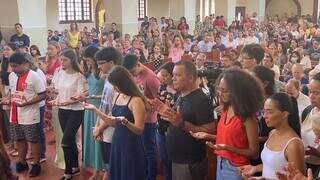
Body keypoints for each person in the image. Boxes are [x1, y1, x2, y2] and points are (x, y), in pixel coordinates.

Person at [191, 68, 264, 180]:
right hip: (221, 162)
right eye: (220, 90)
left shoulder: (248, 119)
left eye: (225, 91)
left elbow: (254, 152)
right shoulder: (226, 109)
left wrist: (227, 148)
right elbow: (230, 139)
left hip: (238, 168)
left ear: (237, 92)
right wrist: (208, 136)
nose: (221, 94)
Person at [84, 66, 147, 180]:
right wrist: (95, 109)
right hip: (117, 141)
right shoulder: (118, 96)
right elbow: (112, 122)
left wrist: (125, 121)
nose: (114, 88)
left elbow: (139, 129)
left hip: (131, 144)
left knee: (129, 174)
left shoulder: (136, 100)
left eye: (116, 85)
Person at [154, 61, 214, 180]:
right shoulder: (181, 94)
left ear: (191, 78)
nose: (173, 78)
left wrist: (182, 124)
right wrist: (167, 112)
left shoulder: (201, 100)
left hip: (189, 162)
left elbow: (209, 131)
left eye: (178, 75)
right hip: (178, 160)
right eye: (173, 74)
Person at [238, 93, 306, 180]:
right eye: (264, 111)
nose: (265, 116)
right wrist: (254, 168)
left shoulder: (294, 144)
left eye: (270, 112)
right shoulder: (272, 133)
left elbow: (298, 178)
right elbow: (274, 165)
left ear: (284, 114)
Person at [50, 48, 88, 180]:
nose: (62, 62)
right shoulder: (60, 73)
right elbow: (58, 92)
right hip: (62, 110)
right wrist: (56, 99)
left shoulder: (79, 76)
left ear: (72, 60)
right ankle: (75, 166)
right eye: (61, 60)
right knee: (70, 140)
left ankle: (68, 171)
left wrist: (70, 101)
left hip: (76, 111)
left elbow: (81, 95)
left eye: (64, 60)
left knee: (65, 141)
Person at [122, 54, 160, 180]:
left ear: (138, 64)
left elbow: (159, 102)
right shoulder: (135, 75)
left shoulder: (151, 78)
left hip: (148, 120)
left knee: (149, 151)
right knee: (140, 151)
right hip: (137, 117)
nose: (132, 75)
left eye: (133, 72)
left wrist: (143, 101)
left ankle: (151, 177)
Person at [8, 52, 46, 177]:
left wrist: (27, 103)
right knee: (19, 139)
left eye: (15, 66)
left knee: (33, 140)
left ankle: (36, 164)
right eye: (11, 66)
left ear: (25, 63)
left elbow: (42, 94)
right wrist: (8, 98)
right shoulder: (12, 76)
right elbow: (11, 91)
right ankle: (22, 162)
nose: (13, 69)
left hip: (29, 114)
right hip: (15, 113)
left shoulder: (34, 76)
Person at [82, 46, 105, 179]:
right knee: (91, 139)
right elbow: (91, 89)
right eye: (86, 61)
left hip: (98, 109)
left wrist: (91, 97)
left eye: (89, 60)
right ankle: (96, 170)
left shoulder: (103, 73)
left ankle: (103, 169)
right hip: (89, 108)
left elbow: (107, 94)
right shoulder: (90, 71)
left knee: (99, 139)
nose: (87, 63)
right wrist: (83, 94)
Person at [155, 62, 178, 180]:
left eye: (165, 76)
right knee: (164, 159)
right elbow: (158, 104)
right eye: (161, 75)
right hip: (160, 127)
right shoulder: (161, 87)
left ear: (172, 75)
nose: (162, 78)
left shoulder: (179, 90)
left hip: (173, 129)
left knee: (175, 160)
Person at [300, 72, 320, 177]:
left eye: (316, 93)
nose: (311, 96)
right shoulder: (307, 111)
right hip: (304, 164)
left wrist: (316, 153)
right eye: (310, 91)